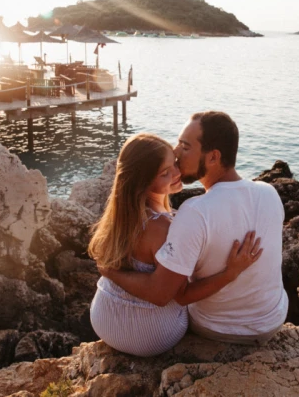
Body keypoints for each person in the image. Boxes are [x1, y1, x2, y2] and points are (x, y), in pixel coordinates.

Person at [102, 111, 288, 346]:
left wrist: (110, 272)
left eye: (185, 146)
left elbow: (167, 295)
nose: (176, 152)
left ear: (213, 157)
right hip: (272, 320)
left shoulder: (195, 211)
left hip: (219, 330)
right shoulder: (269, 192)